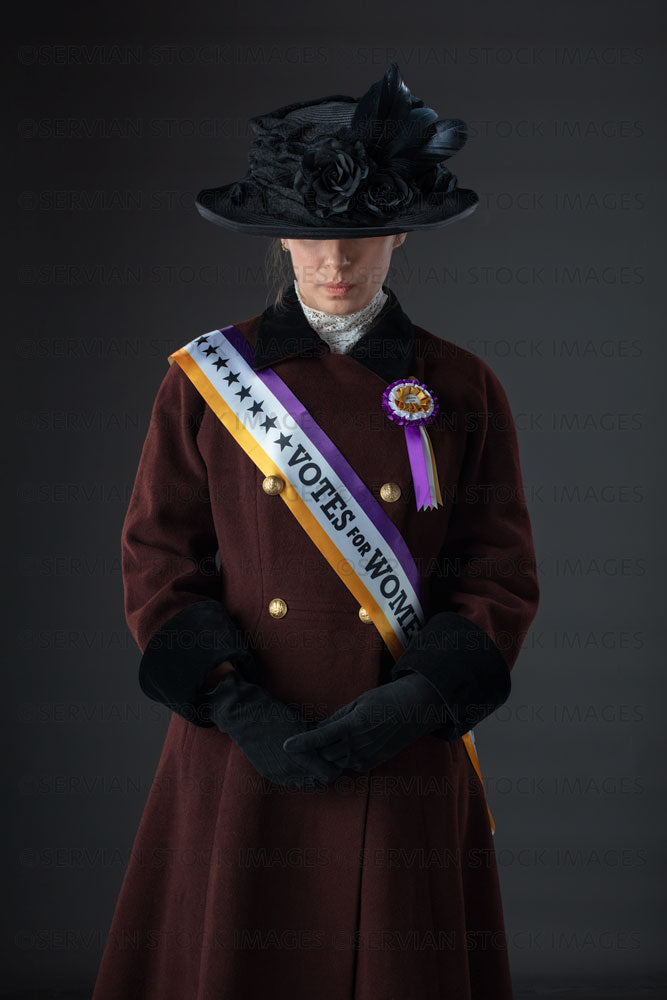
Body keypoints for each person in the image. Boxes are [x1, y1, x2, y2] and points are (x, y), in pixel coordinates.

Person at [92, 62, 540, 1000]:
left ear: (399, 231)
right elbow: (157, 557)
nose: (335, 265)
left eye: (361, 237)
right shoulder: (204, 381)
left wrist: (419, 702)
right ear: (275, 236)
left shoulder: (460, 385)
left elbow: (496, 571)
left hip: (399, 736)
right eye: (311, 238)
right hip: (246, 738)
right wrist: (230, 703)